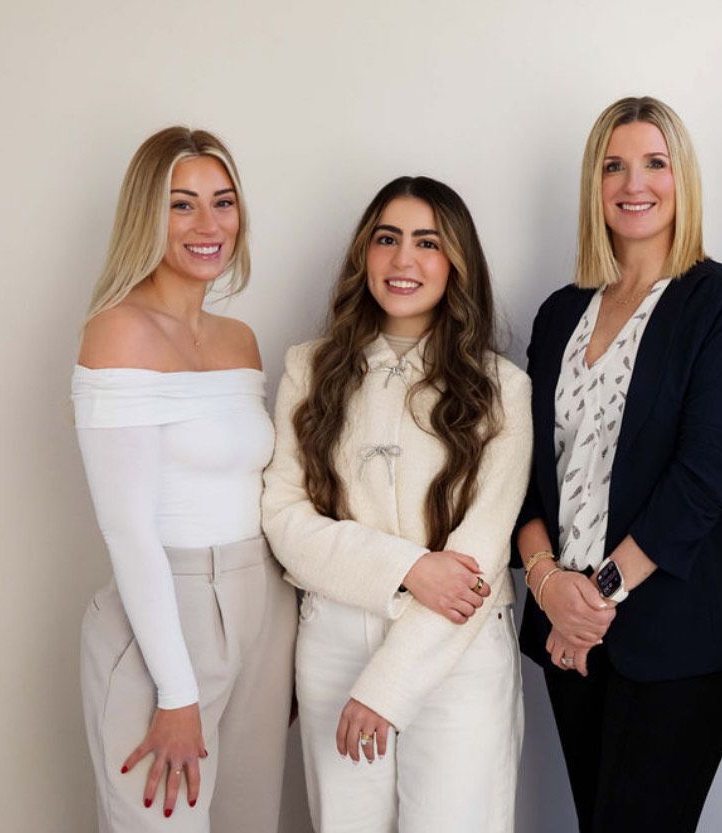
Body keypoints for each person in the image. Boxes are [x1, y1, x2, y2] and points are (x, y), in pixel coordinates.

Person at [513, 96, 722, 833]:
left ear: (681, 178)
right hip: (570, 640)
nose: (635, 183)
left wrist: (592, 597)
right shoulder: (561, 312)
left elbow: (704, 476)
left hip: (678, 640)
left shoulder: (721, 302)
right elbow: (529, 475)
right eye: (614, 165)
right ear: (593, 186)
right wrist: (549, 587)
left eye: (655, 163)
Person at [262, 176, 531, 833]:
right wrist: (410, 568)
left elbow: (481, 552)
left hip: (456, 651)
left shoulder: (504, 388)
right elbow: (284, 518)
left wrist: (386, 688)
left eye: (427, 242)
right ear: (365, 255)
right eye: (387, 239)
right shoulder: (308, 368)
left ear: (456, 263)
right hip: (332, 644)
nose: (403, 260)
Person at [73, 126, 296, 832]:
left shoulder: (240, 341)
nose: (209, 225)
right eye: (183, 205)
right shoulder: (118, 331)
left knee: (249, 821)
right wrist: (176, 692)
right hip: (166, 615)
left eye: (223, 202)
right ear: (148, 215)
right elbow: (127, 529)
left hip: (262, 602)